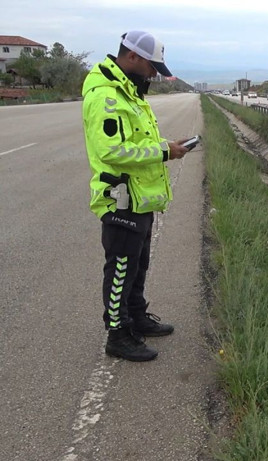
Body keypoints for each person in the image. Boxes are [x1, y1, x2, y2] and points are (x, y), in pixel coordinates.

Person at [82, 30, 191, 362]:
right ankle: (118, 335)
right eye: (151, 66)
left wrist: (168, 146)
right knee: (120, 268)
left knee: (137, 264)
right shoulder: (107, 97)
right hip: (120, 197)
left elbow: (137, 139)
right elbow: (112, 150)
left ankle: (136, 317)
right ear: (133, 57)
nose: (154, 74)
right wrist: (164, 151)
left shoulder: (129, 93)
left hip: (139, 197)